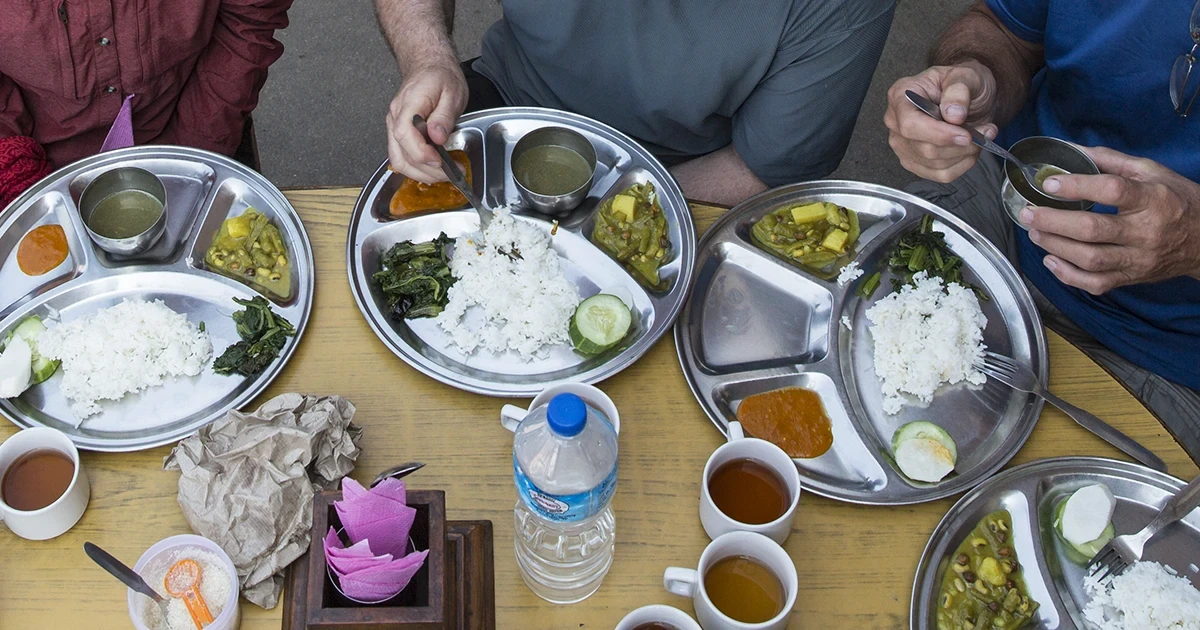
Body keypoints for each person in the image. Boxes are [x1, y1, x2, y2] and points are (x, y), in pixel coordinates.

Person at [883, 1, 1200, 459]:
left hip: (1164, 355)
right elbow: (1004, 29)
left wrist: (1192, 242)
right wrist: (975, 77)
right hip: (1007, 203)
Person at [376, 0, 896, 207]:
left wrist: (611, 206)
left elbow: (765, 169)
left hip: (680, 174)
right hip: (508, 99)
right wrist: (429, 58)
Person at [0, 0, 293, 206]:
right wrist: (15, 170)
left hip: (200, 126)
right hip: (34, 167)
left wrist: (196, 149)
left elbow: (249, 18)